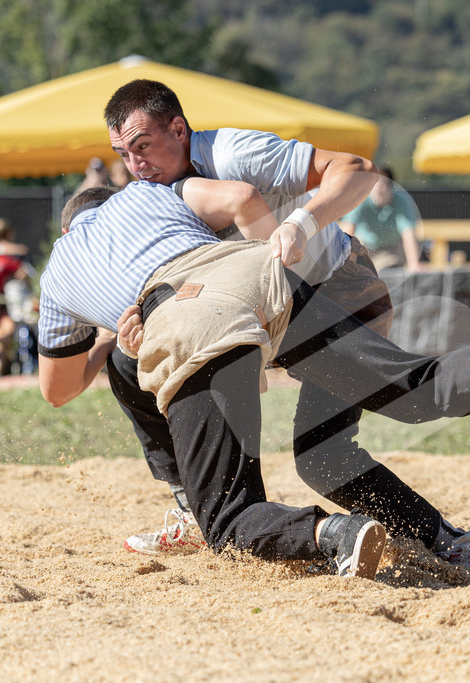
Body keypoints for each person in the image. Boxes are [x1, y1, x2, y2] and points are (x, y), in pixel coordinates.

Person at [38, 182, 470, 581]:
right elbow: (238, 203)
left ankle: (330, 532)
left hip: (190, 315)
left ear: (70, 228)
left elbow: (58, 388)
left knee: (228, 517)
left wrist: (106, 329)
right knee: (421, 387)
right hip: (262, 273)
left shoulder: (65, 261)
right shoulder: (152, 196)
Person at [102, 78, 426, 560]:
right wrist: (137, 329)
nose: (135, 166)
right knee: (128, 366)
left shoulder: (234, 153)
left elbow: (358, 171)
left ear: (179, 128)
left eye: (143, 147)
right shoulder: (152, 197)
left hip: (337, 294)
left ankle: (443, 539)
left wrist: (302, 222)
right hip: (258, 315)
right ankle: (198, 511)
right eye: (123, 155)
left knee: (323, 458)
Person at [338, 167, 424, 271]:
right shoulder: (361, 199)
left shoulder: (401, 202)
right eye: (374, 184)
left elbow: (408, 233)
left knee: (388, 271)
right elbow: (348, 230)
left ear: (391, 187)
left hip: (390, 251)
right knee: (355, 246)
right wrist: (344, 263)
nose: (378, 188)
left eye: (382, 184)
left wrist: (414, 264)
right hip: (365, 248)